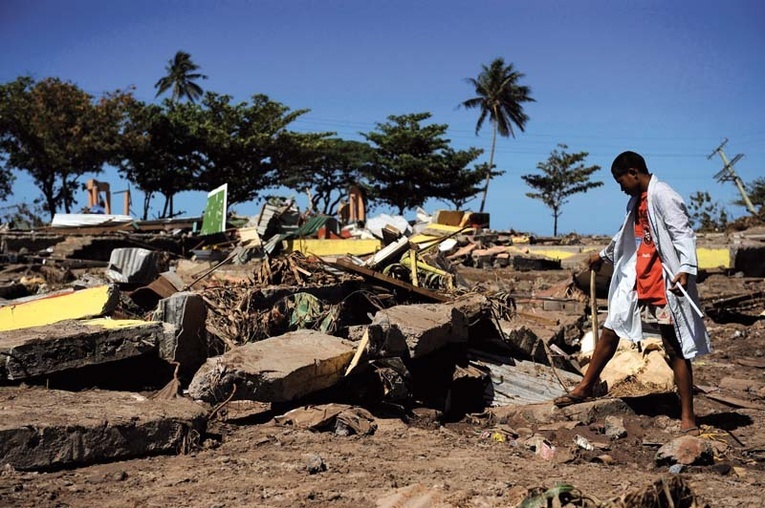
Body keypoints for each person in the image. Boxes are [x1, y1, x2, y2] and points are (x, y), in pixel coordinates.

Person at [554, 151, 711, 435]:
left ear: (634, 172)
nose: (621, 187)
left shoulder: (664, 195)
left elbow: (683, 233)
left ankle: (688, 415)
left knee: (674, 345)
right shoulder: (635, 201)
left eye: (620, 180)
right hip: (637, 276)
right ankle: (585, 387)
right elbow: (627, 235)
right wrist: (602, 255)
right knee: (612, 328)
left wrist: (685, 268)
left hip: (664, 279)